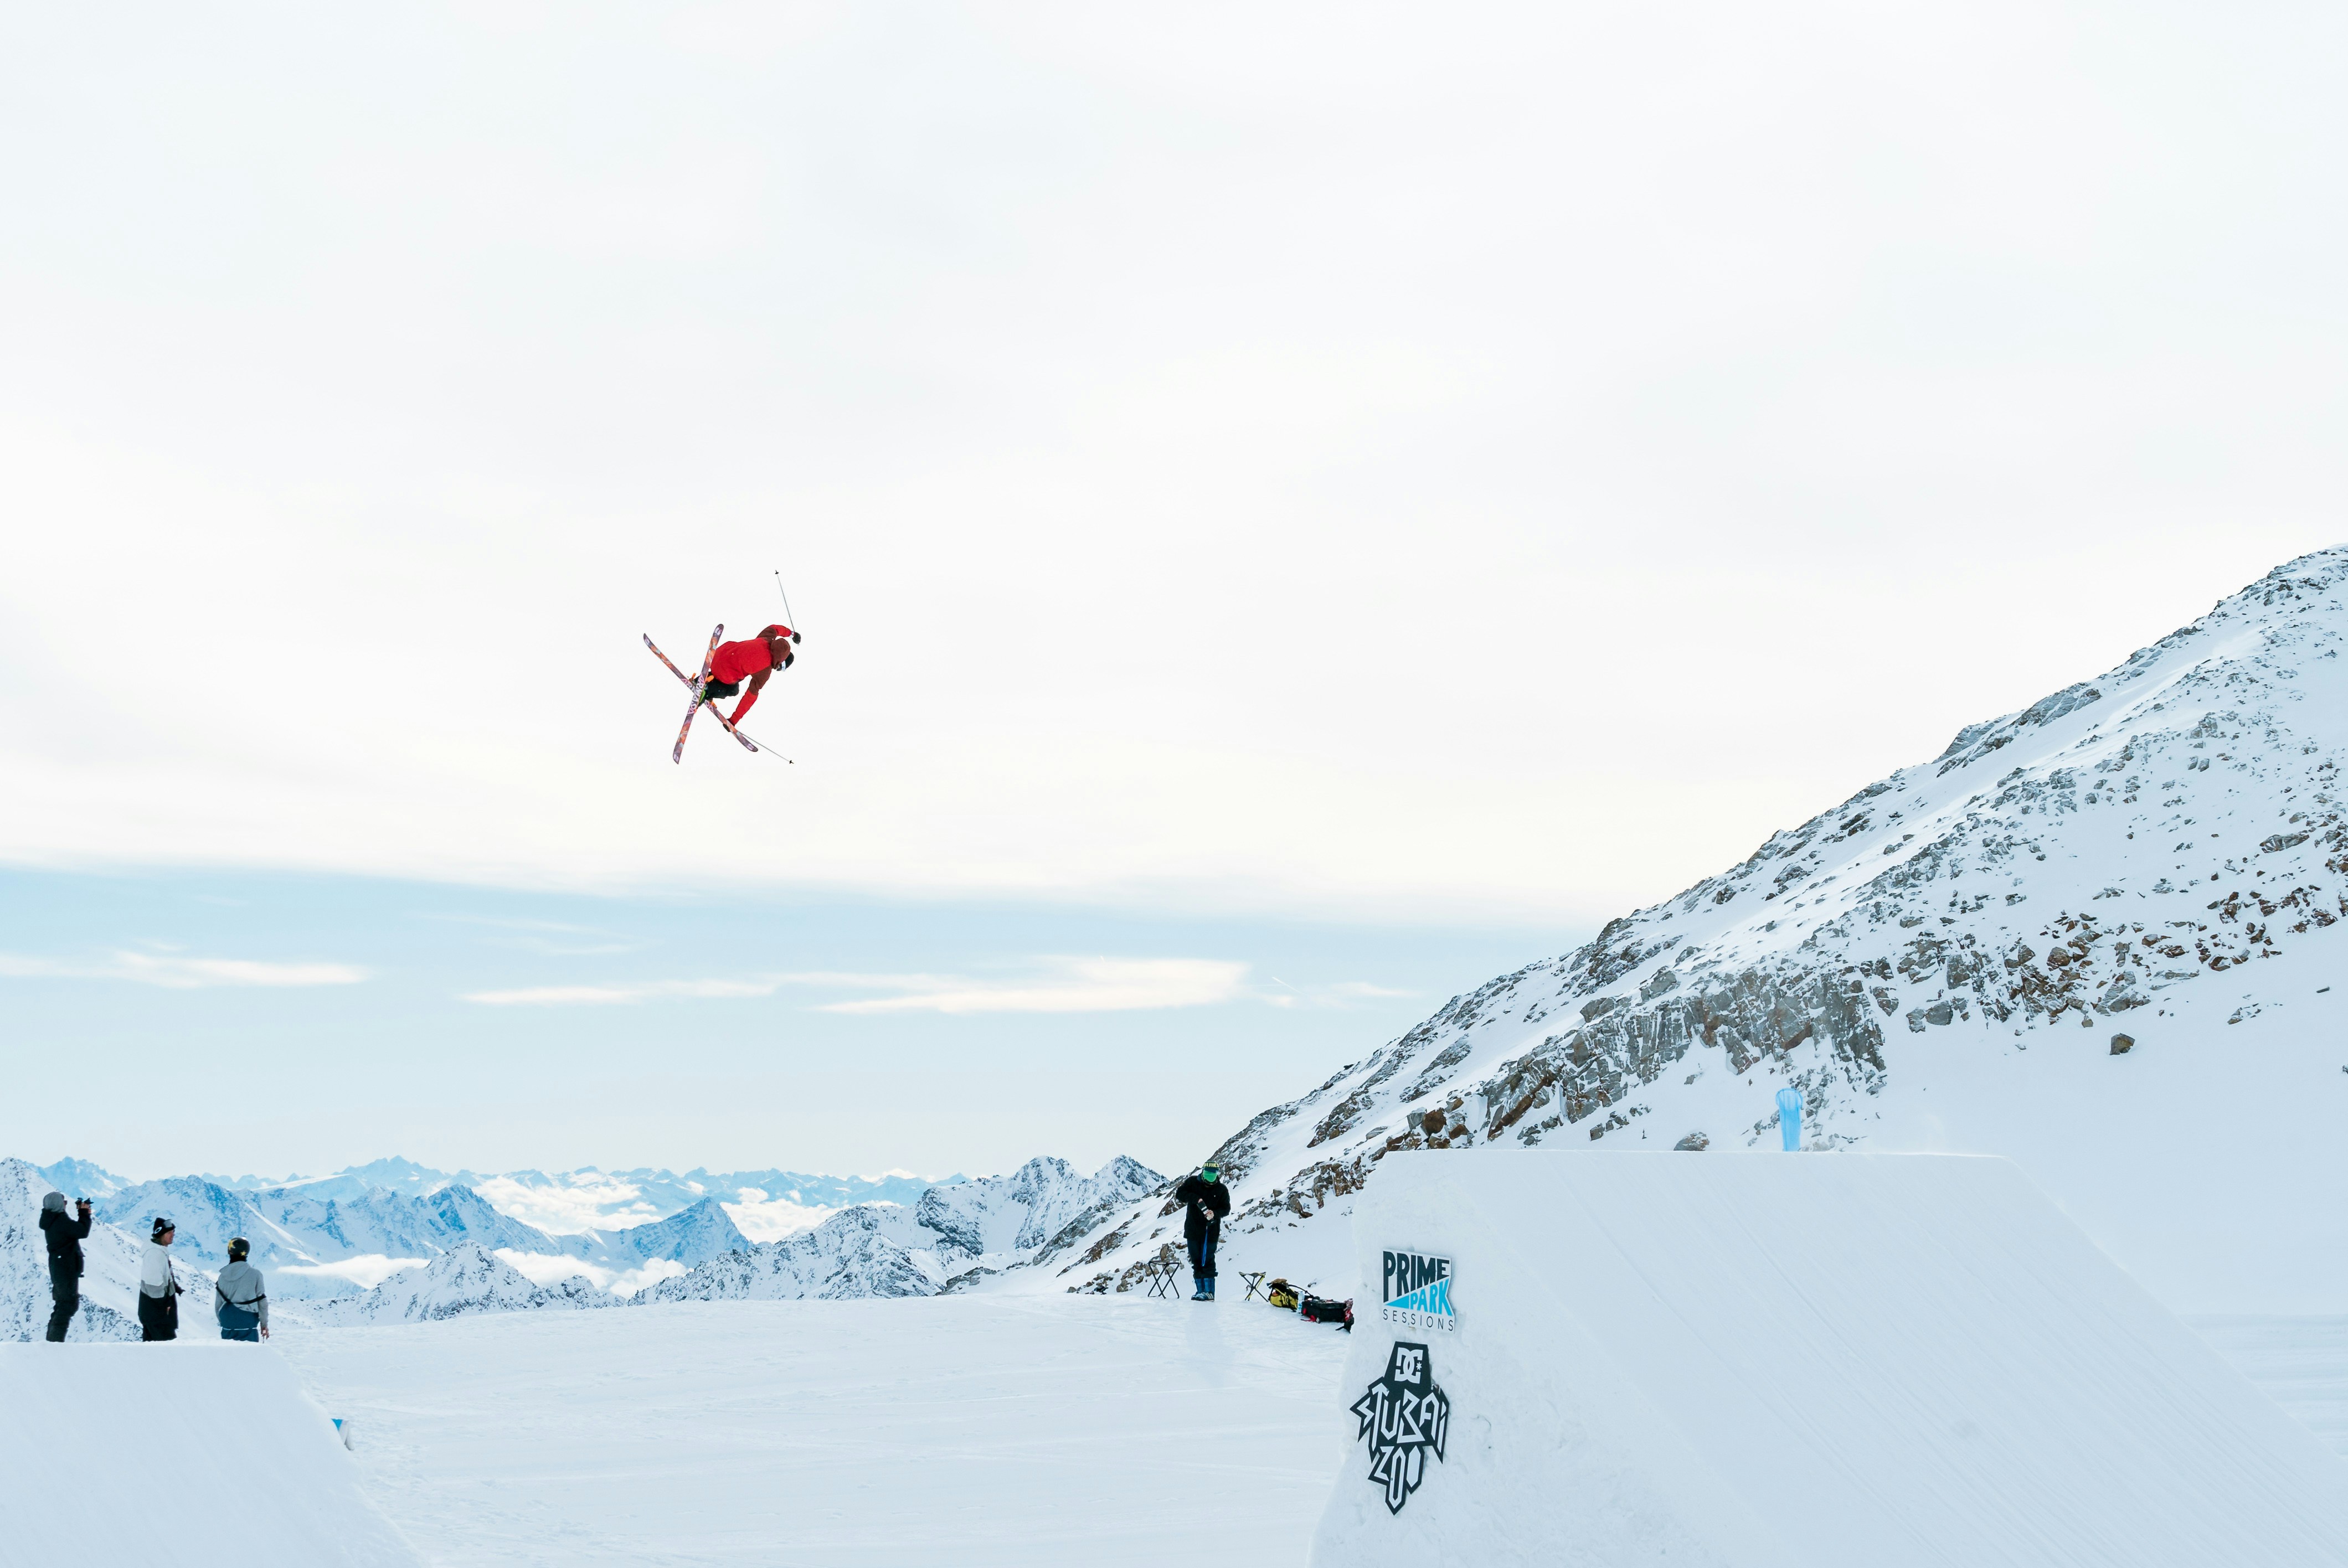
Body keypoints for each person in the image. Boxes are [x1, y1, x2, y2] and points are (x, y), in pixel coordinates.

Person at [700, 623, 798, 726]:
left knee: (731, 669)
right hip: (725, 673)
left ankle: (702, 681)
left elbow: (776, 628)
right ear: (781, 660)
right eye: (781, 667)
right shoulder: (765, 671)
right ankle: (708, 691)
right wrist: (734, 720)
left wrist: (792, 634)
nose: (777, 669)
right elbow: (750, 697)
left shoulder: (767, 638)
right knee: (733, 690)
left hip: (718, 655)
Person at [1172, 1162, 1232, 1302]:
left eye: (1212, 1176)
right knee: (1197, 1261)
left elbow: (1226, 1209)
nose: (1209, 1179)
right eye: (1207, 1175)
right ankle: (1200, 1292)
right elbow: (1180, 1194)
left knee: (1208, 1260)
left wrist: (1215, 1214)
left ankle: (1209, 1292)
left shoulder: (1222, 1190)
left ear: (1217, 1175)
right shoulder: (1193, 1182)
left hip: (1210, 1231)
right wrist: (1195, 1199)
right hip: (1193, 1230)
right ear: (1203, 1172)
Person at [37, 1190, 92, 1342]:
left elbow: (72, 1230)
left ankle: (52, 1340)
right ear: (57, 1205)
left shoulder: (51, 1219)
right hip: (66, 1268)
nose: (66, 1204)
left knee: (63, 1304)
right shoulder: (60, 1221)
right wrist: (84, 1213)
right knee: (67, 1305)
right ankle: (55, 1342)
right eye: (64, 1202)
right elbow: (82, 1231)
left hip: (60, 1267)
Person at [214, 1237, 270, 1343]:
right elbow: (262, 1302)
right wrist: (264, 1325)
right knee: (249, 1354)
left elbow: (218, 1304)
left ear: (229, 1251)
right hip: (247, 1322)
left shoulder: (222, 1277)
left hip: (227, 1321)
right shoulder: (255, 1274)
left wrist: (224, 1321)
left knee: (228, 1354)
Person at [138, 1216, 182, 1342]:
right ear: (160, 1234)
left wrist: (175, 1288)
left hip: (153, 1312)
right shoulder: (155, 1254)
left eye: (173, 1232)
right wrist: (166, 1305)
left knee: (154, 1351)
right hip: (156, 1313)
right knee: (165, 1350)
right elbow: (154, 1285)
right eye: (169, 1233)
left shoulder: (160, 1251)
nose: (173, 1235)